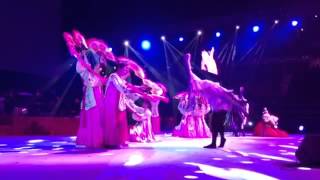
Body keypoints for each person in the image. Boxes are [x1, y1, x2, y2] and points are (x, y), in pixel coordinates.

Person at [76, 50, 105, 148]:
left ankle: (98, 140)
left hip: (98, 98)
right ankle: (91, 141)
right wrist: (82, 57)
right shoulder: (87, 73)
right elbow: (81, 70)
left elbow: (99, 85)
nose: (98, 67)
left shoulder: (98, 75)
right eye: (97, 65)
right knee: (92, 118)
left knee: (98, 119)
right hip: (91, 98)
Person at [103, 64, 131, 148]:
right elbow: (120, 88)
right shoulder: (113, 76)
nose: (126, 71)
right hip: (112, 103)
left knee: (121, 121)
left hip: (119, 103)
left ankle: (120, 140)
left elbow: (126, 88)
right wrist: (127, 91)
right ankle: (112, 142)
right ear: (119, 68)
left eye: (127, 70)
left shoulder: (121, 79)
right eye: (125, 69)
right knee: (113, 121)